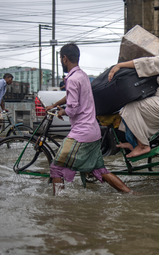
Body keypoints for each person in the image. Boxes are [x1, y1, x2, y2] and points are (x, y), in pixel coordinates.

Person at [45, 43, 133, 195]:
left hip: (82, 133)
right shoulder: (82, 75)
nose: (61, 61)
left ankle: (58, 203)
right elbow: (72, 96)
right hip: (93, 131)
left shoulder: (72, 79)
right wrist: (56, 104)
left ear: (64, 58)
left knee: (56, 167)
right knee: (100, 170)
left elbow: (73, 109)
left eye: (61, 58)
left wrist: (62, 112)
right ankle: (130, 193)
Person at [108, 25, 159, 158]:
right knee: (132, 108)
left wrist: (120, 65)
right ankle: (135, 143)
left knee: (130, 107)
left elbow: (148, 63)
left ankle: (142, 145)